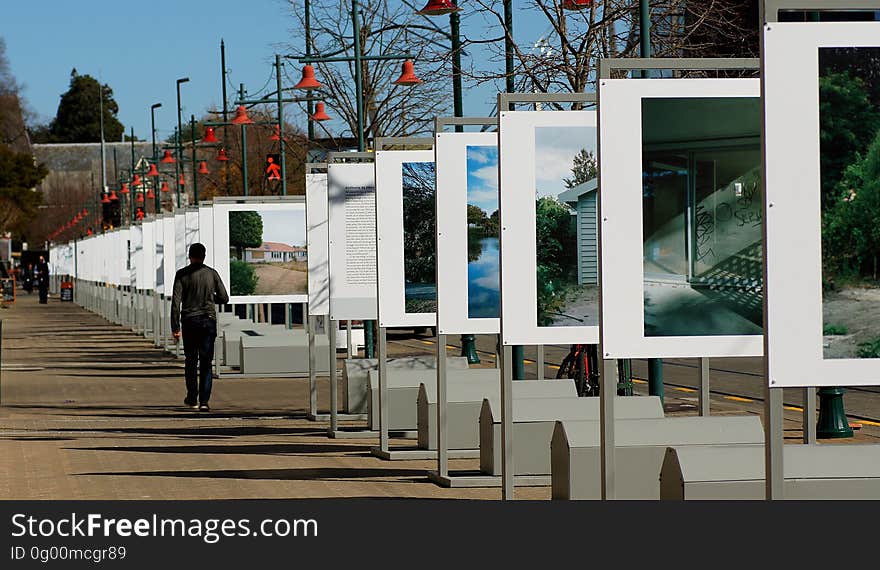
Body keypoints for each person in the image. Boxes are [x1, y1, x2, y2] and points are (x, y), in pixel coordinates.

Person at [170, 243, 229, 412]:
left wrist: (175, 327)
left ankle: (192, 398)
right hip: (208, 321)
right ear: (204, 256)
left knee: (190, 361)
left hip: (189, 321)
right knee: (206, 362)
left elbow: (175, 303)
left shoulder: (181, 274)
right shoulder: (212, 273)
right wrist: (211, 299)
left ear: (189, 256)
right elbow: (224, 298)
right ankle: (204, 401)